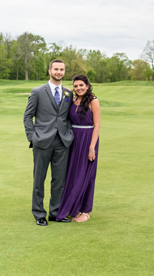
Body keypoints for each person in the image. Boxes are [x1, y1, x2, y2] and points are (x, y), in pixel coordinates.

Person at [24, 59, 74, 226]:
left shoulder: (69, 93)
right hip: (42, 141)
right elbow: (27, 116)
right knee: (39, 179)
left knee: (59, 180)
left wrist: (70, 135)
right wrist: (32, 136)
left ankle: (55, 213)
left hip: (62, 142)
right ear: (49, 71)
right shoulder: (38, 91)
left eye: (61, 69)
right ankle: (39, 214)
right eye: (56, 69)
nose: (59, 72)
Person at [56, 74, 100, 223]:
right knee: (73, 175)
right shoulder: (73, 100)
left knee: (85, 175)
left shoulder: (93, 101)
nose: (79, 88)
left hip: (88, 140)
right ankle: (73, 208)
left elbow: (97, 126)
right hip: (73, 140)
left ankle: (85, 211)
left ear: (87, 86)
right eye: (76, 86)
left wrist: (92, 148)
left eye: (81, 85)